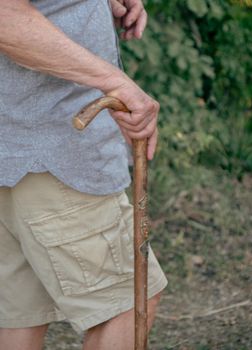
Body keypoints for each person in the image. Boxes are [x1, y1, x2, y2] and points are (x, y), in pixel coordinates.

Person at [0, 0, 167, 349]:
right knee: (128, 305)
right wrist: (111, 80)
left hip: (17, 149)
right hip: (53, 152)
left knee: (19, 321)